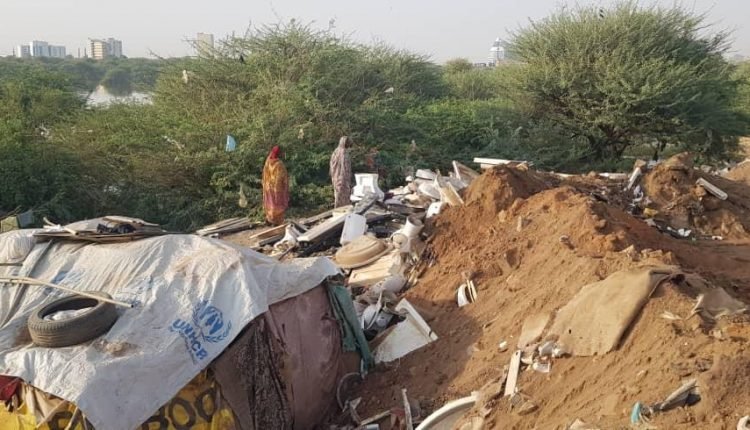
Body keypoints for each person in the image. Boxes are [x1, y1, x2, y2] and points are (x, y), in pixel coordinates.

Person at [262, 145, 289, 225]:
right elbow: (282, 176)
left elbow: (264, 174)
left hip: (268, 186)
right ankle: (277, 221)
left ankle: (270, 219)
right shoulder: (279, 164)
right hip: (277, 188)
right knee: (278, 204)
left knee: (270, 203)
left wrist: (265, 183)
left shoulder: (267, 161)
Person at [330, 136, 353, 208]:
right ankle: (342, 210)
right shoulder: (344, 153)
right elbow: (345, 167)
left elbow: (331, 165)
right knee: (343, 195)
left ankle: (339, 209)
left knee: (337, 194)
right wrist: (347, 177)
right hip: (342, 178)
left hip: (335, 177)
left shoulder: (335, 151)